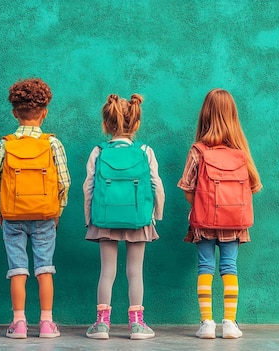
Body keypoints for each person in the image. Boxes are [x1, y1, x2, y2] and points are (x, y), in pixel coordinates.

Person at [0, 78, 71, 339]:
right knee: (45, 268)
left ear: (14, 112)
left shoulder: (4, 144)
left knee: (18, 269)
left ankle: (19, 322)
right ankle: (47, 323)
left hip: (12, 216)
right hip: (45, 215)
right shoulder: (53, 144)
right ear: (45, 112)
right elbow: (64, 182)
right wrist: (57, 210)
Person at [177, 88, 262, 339]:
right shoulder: (241, 153)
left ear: (205, 115)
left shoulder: (198, 151)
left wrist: (206, 203)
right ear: (233, 117)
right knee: (229, 268)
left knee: (205, 268)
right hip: (234, 225)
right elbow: (253, 188)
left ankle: (206, 323)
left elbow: (187, 189)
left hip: (204, 223)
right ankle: (229, 323)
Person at [83, 94, 165, 340]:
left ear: (106, 125)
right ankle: (137, 324)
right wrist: (155, 215)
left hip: (105, 218)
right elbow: (156, 185)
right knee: (135, 272)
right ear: (136, 124)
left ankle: (101, 324)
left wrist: (90, 218)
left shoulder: (98, 151)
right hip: (138, 218)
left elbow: (88, 187)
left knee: (107, 271)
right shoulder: (145, 151)